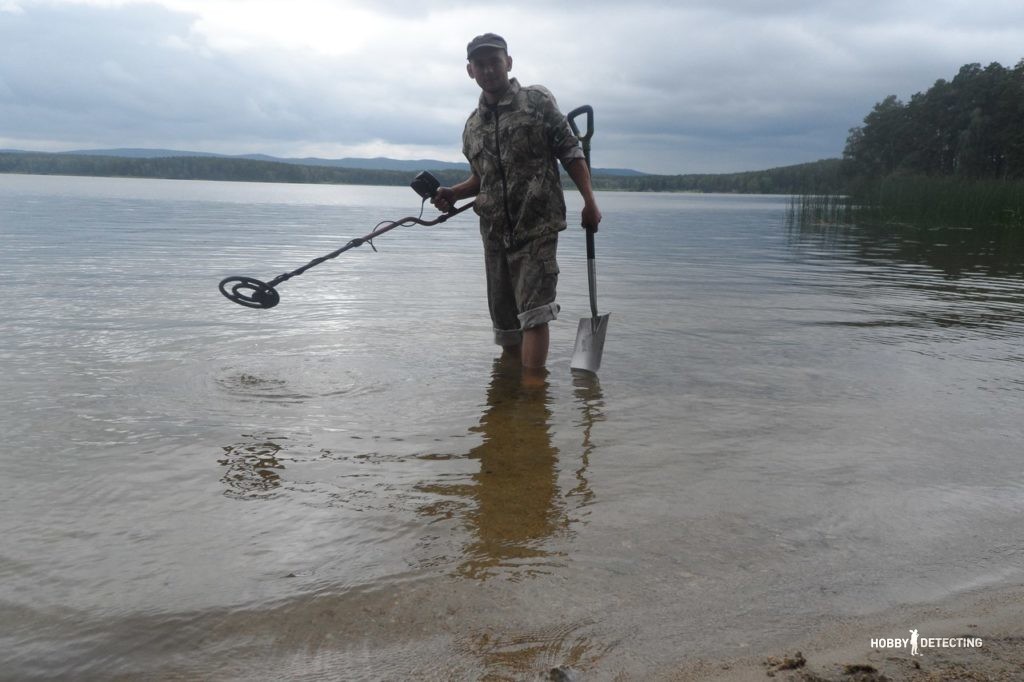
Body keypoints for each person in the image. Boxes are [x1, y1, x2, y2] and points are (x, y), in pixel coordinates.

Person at [432, 33, 602, 376]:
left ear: (508, 63)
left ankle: (534, 398)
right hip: (494, 236)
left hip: (536, 228)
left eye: (494, 61)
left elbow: (570, 151)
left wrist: (589, 200)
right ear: (470, 71)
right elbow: (482, 179)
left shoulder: (536, 102)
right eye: (480, 64)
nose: (488, 69)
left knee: (535, 314)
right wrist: (454, 192)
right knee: (507, 326)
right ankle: (509, 403)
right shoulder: (472, 126)